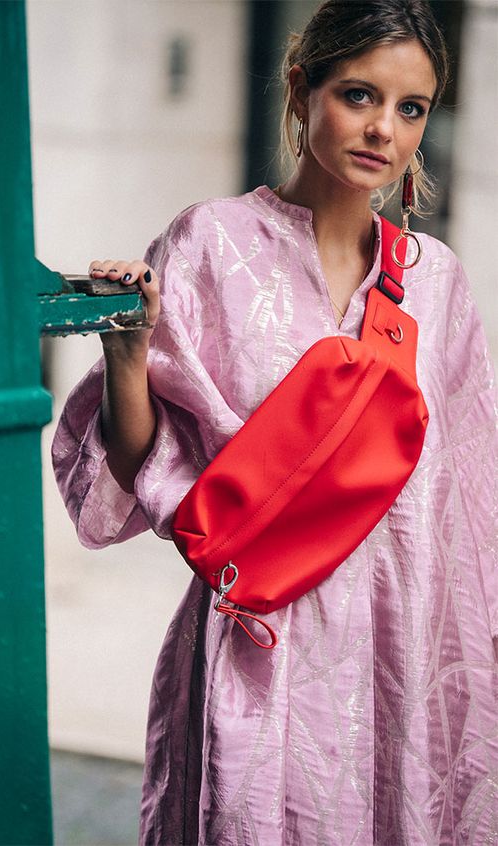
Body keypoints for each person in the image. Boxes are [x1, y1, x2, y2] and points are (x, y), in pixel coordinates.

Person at [52, 0, 497, 842]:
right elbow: (139, 476)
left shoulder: (434, 283)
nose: (385, 129)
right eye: (359, 95)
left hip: (397, 651)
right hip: (259, 643)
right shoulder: (211, 244)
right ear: (301, 91)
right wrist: (129, 349)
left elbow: (472, 510)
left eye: (411, 108)